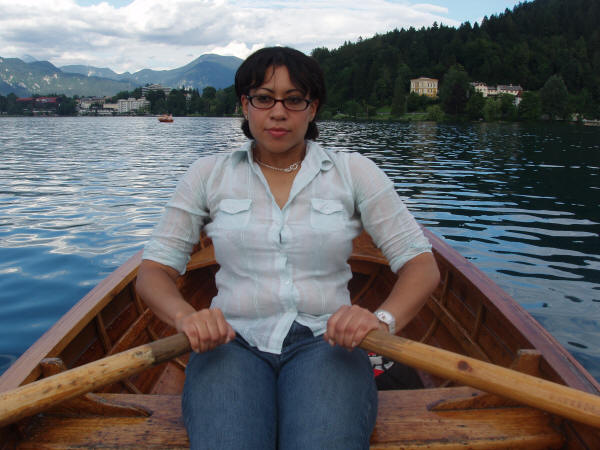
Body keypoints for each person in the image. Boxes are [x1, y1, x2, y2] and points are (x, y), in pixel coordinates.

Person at [136, 46, 440, 450]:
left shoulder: (354, 172)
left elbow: (421, 265)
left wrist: (381, 320)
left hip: (329, 341)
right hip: (230, 340)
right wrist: (185, 317)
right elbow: (153, 271)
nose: (278, 112)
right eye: (264, 98)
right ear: (245, 105)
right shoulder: (207, 174)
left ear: (312, 109)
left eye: (294, 99)